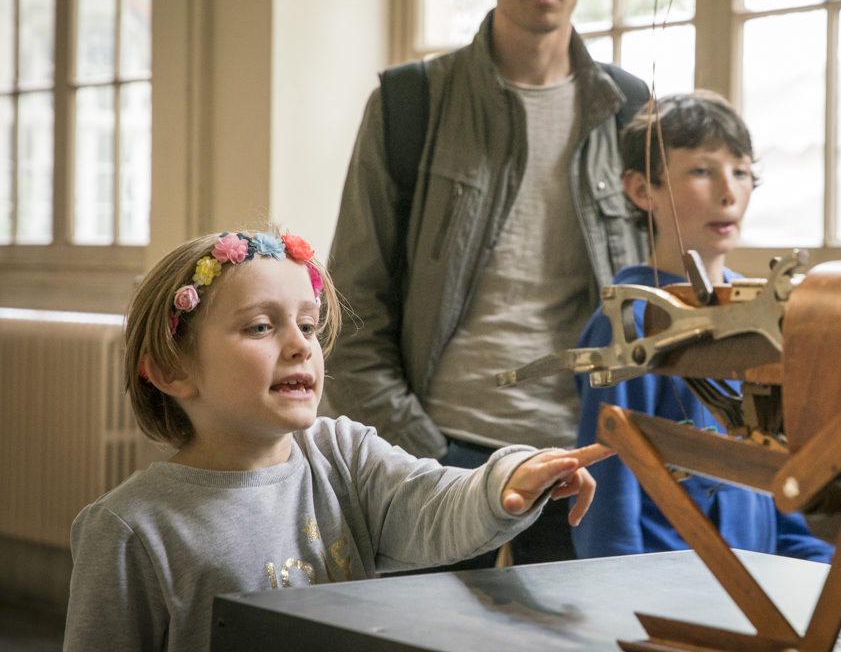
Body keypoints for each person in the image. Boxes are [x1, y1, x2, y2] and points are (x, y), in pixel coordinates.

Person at [63, 230, 611, 652]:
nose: (301, 345)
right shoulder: (130, 527)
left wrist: (508, 478)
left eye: (308, 325)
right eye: (260, 327)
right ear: (170, 371)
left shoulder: (342, 456)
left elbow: (435, 501)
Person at [325, 0, 648, 567]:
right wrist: (421, 450)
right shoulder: (411, 104)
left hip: (582, 455)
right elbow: (350, 306)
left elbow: (659, 292)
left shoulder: (630, 110)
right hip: (440, 453)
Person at [570, 92, 834, 563]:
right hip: (666, 581)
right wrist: (617, 593)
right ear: (642, 190)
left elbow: (777, 482)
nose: (729, 193)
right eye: (701, 171)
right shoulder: (631, 321)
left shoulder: (761, 312)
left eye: (741, 171)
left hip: (753, 581)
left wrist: (825, 571)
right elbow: (607, 501)